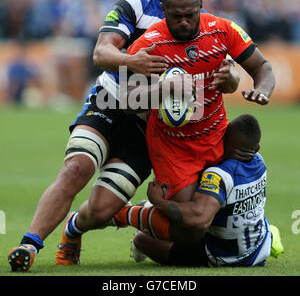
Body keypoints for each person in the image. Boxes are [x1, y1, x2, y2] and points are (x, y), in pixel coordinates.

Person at [8, 0, 240, 272]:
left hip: (148, 125)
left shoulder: (196, 17)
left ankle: (73, 227)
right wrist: (133, 60)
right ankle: (29, 246)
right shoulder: (133, 5)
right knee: (77, 168)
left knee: (102, 211)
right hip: (110, 102)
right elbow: (101, 53)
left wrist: (231, 79)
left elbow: (219, 67)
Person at [125, 0, 275, 201]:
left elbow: (263, 67)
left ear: (200, 7)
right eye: (177, 17)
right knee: (189, 223)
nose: (184, 22)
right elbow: (128, 101)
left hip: (216, 138)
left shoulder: (222, 30)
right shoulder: (147, 45)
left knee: (209, 216)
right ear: (164, 10)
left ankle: (144, 217)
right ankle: (127, 215)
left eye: (190, 15)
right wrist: (166, 88)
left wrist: (261, 89)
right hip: (172, 146)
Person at [113, 114, 284, 267]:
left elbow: (199, 219)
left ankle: (121, 214)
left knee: (142, 239)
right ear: (257, 148)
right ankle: (270, 234)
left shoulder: (218, 174)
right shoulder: (259, 162)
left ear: (223, 140)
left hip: (224, 256)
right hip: (257, 250)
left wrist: (160, 202)